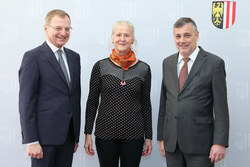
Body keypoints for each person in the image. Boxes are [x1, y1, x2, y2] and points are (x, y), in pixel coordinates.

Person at [157, 17, 229, 167]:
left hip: (201, 146)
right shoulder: (167, 62)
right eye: (178, 36)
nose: (182, 40)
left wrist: (219, 142)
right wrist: (162, 137)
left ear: (197, 35)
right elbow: (165, 103)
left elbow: (221, 108)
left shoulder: (214, 64)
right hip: (172, 144)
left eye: (187, 35)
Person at [84, 20, 152, 167]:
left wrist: (149, 137)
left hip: (134, 136)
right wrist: (87, 134)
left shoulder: (144, 69)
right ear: (112, 38)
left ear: (132, 39)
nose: (122, 39)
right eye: (118, 34)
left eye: (126, 35)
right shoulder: (100, 66)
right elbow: (92, 102)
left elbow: (146, 105)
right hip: (105, 135)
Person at [18, 9, 81, 167]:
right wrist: (31, 140)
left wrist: (75, 136)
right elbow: (26, 102)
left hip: (68, 137)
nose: (63, 33)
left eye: (67, 29)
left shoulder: (74, 57)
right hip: (42, 140)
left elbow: (74, 97)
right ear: (46, 28)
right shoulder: (33, 57)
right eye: (58, 28)